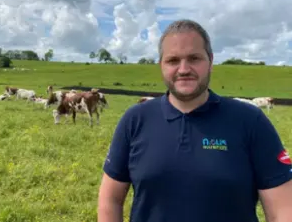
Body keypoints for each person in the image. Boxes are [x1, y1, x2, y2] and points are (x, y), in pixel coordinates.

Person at [98, 19, 292, 222]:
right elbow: (110, 199)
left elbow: (283, 209)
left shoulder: (251, 121)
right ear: (161, 65)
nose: (183, 69)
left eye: (194, 58)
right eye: (173, 60)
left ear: (210, 61)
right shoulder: (135, 120)